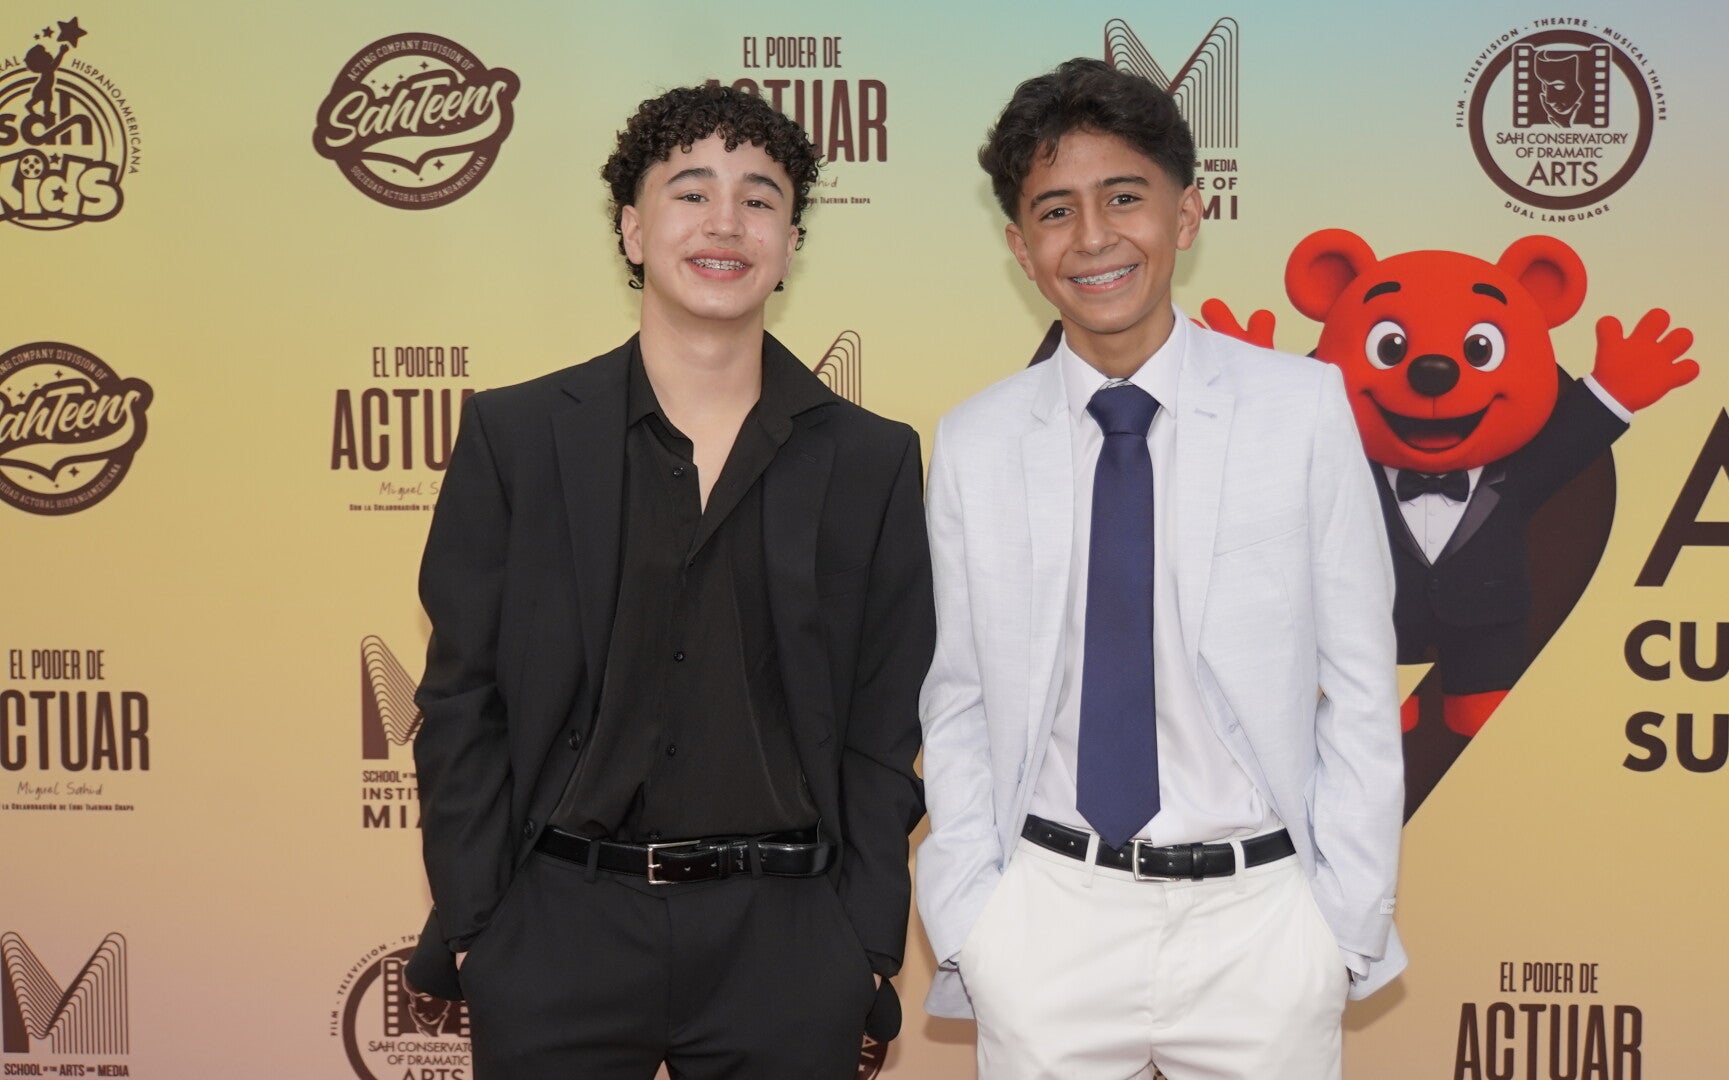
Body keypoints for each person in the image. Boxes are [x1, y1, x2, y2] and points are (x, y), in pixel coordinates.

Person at [404, 83, 933, 1078]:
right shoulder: (516, 438)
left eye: (759, 198)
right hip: (555, 928)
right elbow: (462, 699)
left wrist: (861, 942)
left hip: (788, 940)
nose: (724, 222)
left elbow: (883, 723)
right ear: (633, 228)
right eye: (691, 193)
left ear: (790, 244)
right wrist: (479, 926)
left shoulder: (872, 460)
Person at [915, 58, 1406, 1078]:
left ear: (1186, 214)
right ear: (1020, 248)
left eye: (1124, 197)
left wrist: (1340, 928)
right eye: (1055, 211)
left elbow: (1362, 684)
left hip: (1260, 922)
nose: (1093, 237)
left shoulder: (1301, 409)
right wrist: (974, 925)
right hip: (1047, 920)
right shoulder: (974, 442)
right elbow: (958, 700)